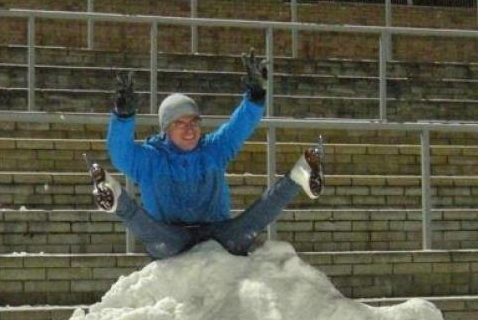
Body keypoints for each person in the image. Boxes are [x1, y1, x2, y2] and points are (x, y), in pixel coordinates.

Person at [90, 49, 324, 259]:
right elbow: (120, 153)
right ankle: (113, 194)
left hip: (220, 236)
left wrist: (255, 96)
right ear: (166, 129)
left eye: (193, 121)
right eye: (179, 123)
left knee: (251, 222)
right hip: (171, 238)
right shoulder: (151, 158)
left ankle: (299, 173)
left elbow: (239, 126)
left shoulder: (214, 149)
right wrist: (123, 116)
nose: (189, 129)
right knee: (152, 233)